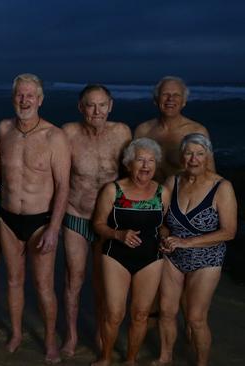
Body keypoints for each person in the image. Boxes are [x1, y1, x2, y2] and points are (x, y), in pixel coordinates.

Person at [0, 73, 70, 361]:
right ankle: (16, 334)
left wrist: (54, 228)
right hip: (7, 218)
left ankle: (50, 340)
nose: (24, 100)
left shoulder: (55, 136)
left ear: (40, 99)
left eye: (30, 96)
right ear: (13, 97)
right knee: (14, 281)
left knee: (43, 285)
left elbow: (63, 185)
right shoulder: (4, 130)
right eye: (19, 95)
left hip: (41, 221)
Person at [60, 84, 132, 356]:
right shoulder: (68, 133)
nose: (96, 110)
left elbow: (133, 174)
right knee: (73, 280)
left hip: (109, 222)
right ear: (81, 107)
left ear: (111, 105)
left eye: (102, 104)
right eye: (90, 105)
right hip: (76, 215)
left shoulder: (122, 132)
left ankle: (102, 334)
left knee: (103, 283)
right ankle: (71, 335)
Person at [156, 134, 236, 366]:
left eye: (199, 153)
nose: (194, 159)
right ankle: (165, 357)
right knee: (166, 311)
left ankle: (202, 363)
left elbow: (229, 232)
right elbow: (159, 220)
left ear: (208, 156)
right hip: (173, 256)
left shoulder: (222, 187)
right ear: (182, 156)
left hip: (207, 259)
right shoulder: (173, 182)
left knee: (195, 318)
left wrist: (187, 242)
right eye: (189, 153)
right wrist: (165, 236)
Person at [91, 138, 171, 366]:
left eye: (151, 161)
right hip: (115, 256)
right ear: (128, 163)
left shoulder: (162, 193)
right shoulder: (113, 190)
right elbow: (98, 224)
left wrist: (165, 238)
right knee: (114, 314)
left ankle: (131, 360)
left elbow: (163, 225)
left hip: (151, 258)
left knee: (140, 315)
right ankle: (105, 357)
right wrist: (119, 234)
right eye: (140, 160)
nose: (146, 166)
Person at [135, 76, 212, 182]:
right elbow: (132, 169)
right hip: (149, 195)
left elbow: (210, 174)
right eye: (165, 94)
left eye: (176, 95)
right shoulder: (143, 130)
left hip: (181, 195)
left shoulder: (196, 131)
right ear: (156, 100)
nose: (170, 99)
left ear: (184, 102)